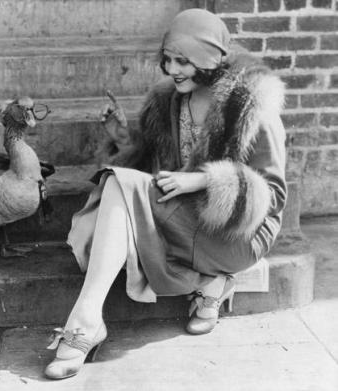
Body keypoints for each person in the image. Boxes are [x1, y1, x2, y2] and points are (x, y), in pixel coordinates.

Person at [44, 8, 287, 380]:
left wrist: (204, 180)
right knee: (117, 185)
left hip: (237, 234)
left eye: (184, 62)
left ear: (208, 61)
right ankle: (88, 319)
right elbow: (155, 170)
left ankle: (87, 325)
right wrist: (123, 137)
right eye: (168, 60)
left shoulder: (249, 104)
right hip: (188, 219)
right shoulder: (170, 100)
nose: (173, 70)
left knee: (119, 191)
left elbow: (272, 195)